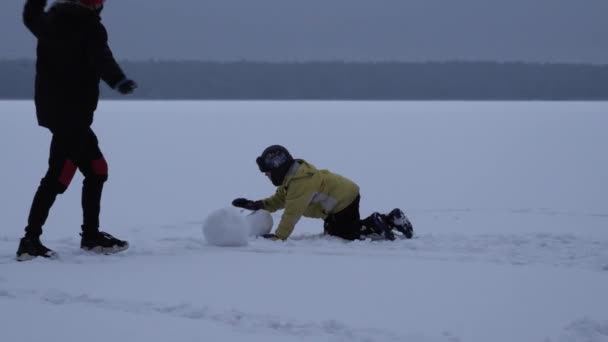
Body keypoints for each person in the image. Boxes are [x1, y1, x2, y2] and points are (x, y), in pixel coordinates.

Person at [17, 0, 137, 261]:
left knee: (97, 170)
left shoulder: (50, 22)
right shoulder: (89, 27)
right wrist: (119, 81)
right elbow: (102, 58)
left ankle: (90, 236)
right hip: (72, 115)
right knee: (58, 176)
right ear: (95, 6)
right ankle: (30, 241)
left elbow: (30, 15)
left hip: (56, 112)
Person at [232, 145, 414, 241]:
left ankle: (379, 222)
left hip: (344, 199)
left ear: (278, 167)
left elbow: (292, 213)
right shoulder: (292, 179)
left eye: (268, 172)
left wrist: (279, 236)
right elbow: (280, 200)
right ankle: (391, 219)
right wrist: (257, 205)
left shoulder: (301, 182)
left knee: (346, 234)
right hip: (339, 199)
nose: (266, 175)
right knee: (332, 231)